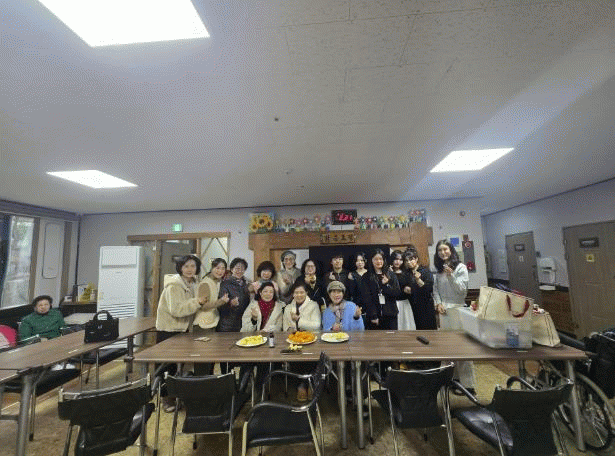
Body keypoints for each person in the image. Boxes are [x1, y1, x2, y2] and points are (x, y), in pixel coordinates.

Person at [155, 254, 209, 411]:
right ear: (180, 268)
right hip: (169, 330)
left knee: (180, 365)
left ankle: (177, 395)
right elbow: (177, 310)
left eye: (193, 266)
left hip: (183, 330)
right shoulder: (174, 285)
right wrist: (197, 302)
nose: (190, 269)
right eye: (186, 266)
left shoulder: (193, 283)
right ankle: (166, 399)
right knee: (167, 366)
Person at [433, 239, 475, 391]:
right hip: (444, 312)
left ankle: (468, 385)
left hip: (458, 309)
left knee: (462, 348)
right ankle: (452, 380)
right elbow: (435, 290)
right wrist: (438, 304)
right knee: (448, 349)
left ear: (451, 250)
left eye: (445, 249)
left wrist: (451, 276)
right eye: (440, 250)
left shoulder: (460, 267)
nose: (443, 252)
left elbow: (462, 291)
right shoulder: (439, 271)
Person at [240, 282, 284, 391]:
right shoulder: (252, 305)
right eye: (265, 291)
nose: (268, 294)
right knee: (246, 363)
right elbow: (245, 330)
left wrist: (265, 331)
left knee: (264, 363)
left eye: (271, 292)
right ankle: (241, 391)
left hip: (269, 343)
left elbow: (278, 328)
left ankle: (260, 391)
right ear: (260, 292)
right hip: (252, 343)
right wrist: (254, 319)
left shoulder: (279, 307)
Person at [283, 282, 321, 401]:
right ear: (292, 294)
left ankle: (310, 383)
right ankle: (301, 385)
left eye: (301, 292)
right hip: (294, 341)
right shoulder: (288, 308)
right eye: (296, 292)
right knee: (295, 358)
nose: (299, 295)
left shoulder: (313, 305)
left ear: (306, 293)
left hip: (311, 340)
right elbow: (285, 328)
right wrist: (290, 330)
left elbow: (316, 325)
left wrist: (299, 319)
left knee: (310, 357)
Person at [193, 258, 229, 375]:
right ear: (212, 268)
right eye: (217, 268)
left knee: (210, 360)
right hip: (203, 326)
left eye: (223, 268)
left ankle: (208, 383)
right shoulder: (205, 283)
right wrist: (221, 302)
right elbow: (203, 306)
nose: (220, 271)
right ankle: (199, 384)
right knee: (203, 361)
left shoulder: (215, 282)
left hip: (211, 324)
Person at [365, 249, 400, 330]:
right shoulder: (366, 276)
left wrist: (386, 285)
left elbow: (397, 293)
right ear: (371, 261)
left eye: (380, 259)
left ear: (384, 260)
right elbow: (367, 298)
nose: (378, 261)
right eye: (376, 259)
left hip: (390, 314)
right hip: (374, 316)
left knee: (391, 337)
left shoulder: (391, 274)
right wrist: (373, 315)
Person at [404, 249, 436, 330]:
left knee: (429, 330)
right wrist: (406, 289)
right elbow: (405, 287)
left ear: (416, 259)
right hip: (413, 306)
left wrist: (418, 280)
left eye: (411, 259)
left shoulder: (425, 271)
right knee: (417, 330)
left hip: (426, 306)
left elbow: (429, 289)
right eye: (407, 260)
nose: (409, 262)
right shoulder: (407, 273)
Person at [217, 257, 251, 333]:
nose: (240, 271)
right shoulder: (225, 283)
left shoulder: (245, 283)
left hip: (241, 322)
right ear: (232, 269)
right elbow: (220, 305)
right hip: (227, 324)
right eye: (237, 269)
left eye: (242, 269)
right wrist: (231, 303)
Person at [390, 250, 415, 330]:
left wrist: (409, 289)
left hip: (404, 303)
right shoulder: (387, 272)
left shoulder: (407, 273)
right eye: (396, 259)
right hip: (392, 303)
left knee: (406, 326)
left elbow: (411, 287)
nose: (398, 262)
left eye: (400, 260)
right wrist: (391, 274)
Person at [347, 251, 371, 327]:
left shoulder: (370, 273)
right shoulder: (352, 274)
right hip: (356, 304)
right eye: (357, 261)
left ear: (365, 261)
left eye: (362, 260)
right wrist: (350, 280)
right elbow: (351, 292)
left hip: (369, 305)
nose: (360, 262)